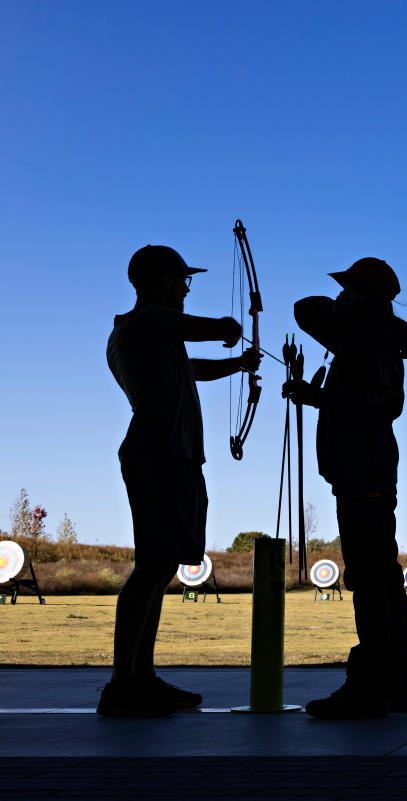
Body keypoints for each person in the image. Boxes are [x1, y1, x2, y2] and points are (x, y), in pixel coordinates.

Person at [101, 245, 260, 717]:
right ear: (163, 282)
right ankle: (123, 684)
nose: (186, 290)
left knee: (161, 564)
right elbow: (210, 330)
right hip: (160, 457)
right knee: (151, 566)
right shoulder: (148, 321)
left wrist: (237, 365)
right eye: (182, 281)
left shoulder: (148, 334)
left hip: (171, 456)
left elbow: (193, 368)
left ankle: (140, 678)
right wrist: (231, 330)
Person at [283, 257, 407, 719]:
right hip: (367, 471)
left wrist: (322, 397)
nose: (338, 297)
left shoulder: (371, 338)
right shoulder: (363, 335)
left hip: (365, 471)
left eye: (348, 290)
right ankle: (395, 684)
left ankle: (372, 687)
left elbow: (386, 405)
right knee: (381, 577)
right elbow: (307, 309)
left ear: (363, 296)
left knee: (371, 580)